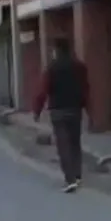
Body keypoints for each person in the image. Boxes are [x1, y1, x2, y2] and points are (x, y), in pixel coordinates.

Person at [33, 37, 90, 193]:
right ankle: (77, 176)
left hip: (58, 111)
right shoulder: (80, 66)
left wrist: (37, 110)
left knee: (63, 145)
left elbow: (43, 91)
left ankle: (69, 179)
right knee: (75, 143)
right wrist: (87, 108)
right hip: (75, 109)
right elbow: (86, 88)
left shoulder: (52, 68)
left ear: (57, 50)